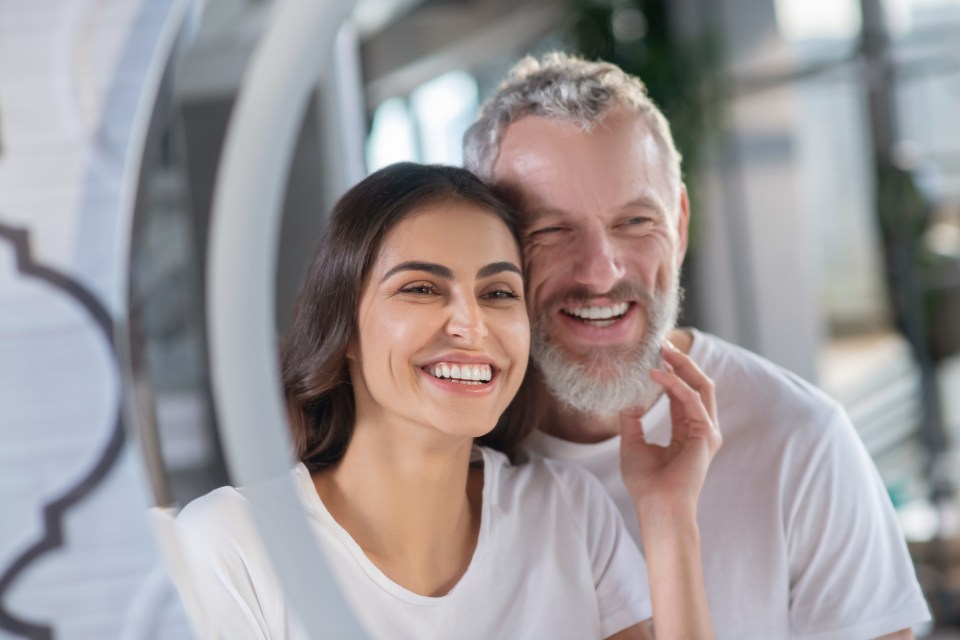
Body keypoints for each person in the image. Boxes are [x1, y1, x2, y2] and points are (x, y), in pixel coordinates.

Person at [463, 52, 932, 640]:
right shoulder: (451, 456)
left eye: (635, 222)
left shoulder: (799, 439)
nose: (601, 272)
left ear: (680, 225)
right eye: (550, 230)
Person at [175, 163, 722, 639]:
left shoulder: (567, 513)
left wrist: (669, 516)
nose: (471, 325)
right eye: (421, 288)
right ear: (343, 330)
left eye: (498, 293)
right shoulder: (234, 547)